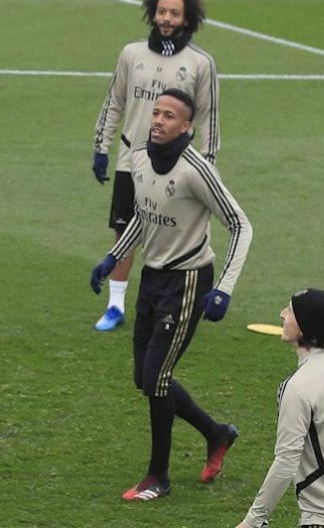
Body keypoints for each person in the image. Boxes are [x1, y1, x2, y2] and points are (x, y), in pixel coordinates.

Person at [89, 88, 250, 501]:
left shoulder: (197, 170)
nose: (158, 120)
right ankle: (216, 433)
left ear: (186, 126)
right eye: (156, 112)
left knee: (157, 380)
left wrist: (224, 289)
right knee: (144, 378)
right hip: (152, 278)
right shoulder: (140, 156)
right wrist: (113, 257)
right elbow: (144, 217)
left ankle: (157, 477)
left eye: (169, 116)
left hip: (188, 281)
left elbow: (241, 225)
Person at [91, 0, 219, 332]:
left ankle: (173, 302)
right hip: (131, 161)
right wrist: (101, 147)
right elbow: (114, 102)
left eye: (174, 13)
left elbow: (208, 117)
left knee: (170, 232)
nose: (166, 18)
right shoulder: (131, 54)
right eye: (162, 11)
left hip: (177, 167)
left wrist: (208, 163)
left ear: (187, 18)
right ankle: (115, 305)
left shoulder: (200, 63)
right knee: (124, 232)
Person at [234, 289, 324, 528]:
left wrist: (252, 521)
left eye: (290, 311)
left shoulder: (297, 388)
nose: (282, 314)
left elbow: (286, 462)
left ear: (304, 328)